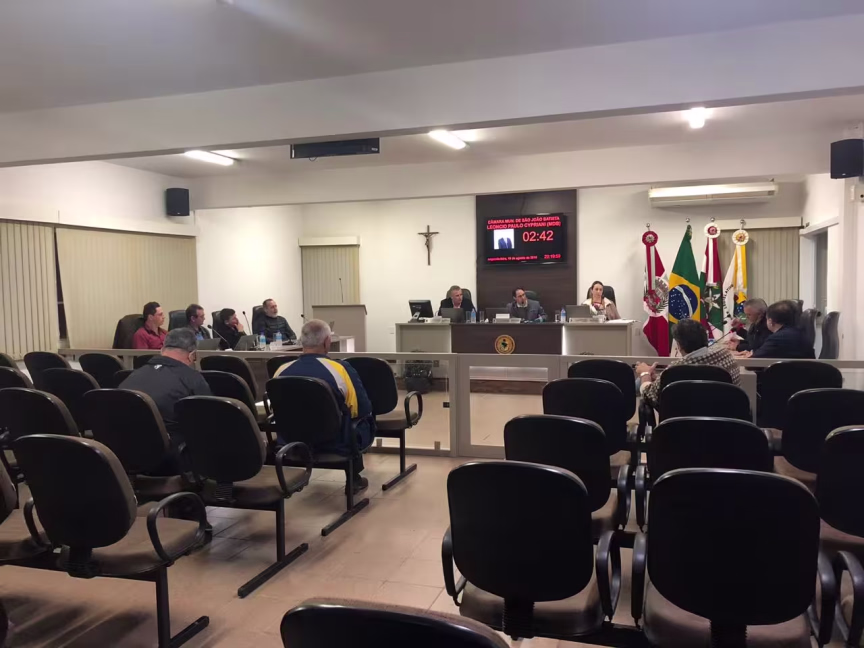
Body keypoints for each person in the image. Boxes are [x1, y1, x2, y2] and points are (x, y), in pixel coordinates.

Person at [273, 319, 373, 494]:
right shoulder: (340, 369)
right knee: (361, 420)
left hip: (293, 441)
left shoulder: (281, 371)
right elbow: (362, 409)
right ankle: (353, 478)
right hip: (335, 442)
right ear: (327, 342)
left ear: (302, 342)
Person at [120, 328, 212, 454]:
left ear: (162, 350)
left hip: (123, 449)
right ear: (192, 355)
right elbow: (207, 419)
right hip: (168, 455)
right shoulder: (192, 378)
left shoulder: (132, 375)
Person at [636, 318, 740, 409]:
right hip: (725, 421)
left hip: (683, 423)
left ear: (679, 345)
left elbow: (649, 396)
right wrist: (660, 379)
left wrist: (645, 374)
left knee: (637, 383)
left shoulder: (675, 370)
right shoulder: (726, 356)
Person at [741, 300, 815, 359]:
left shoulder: (778, 338)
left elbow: (753, 362)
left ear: (771, 322)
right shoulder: (799, 333)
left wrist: (751, 354)